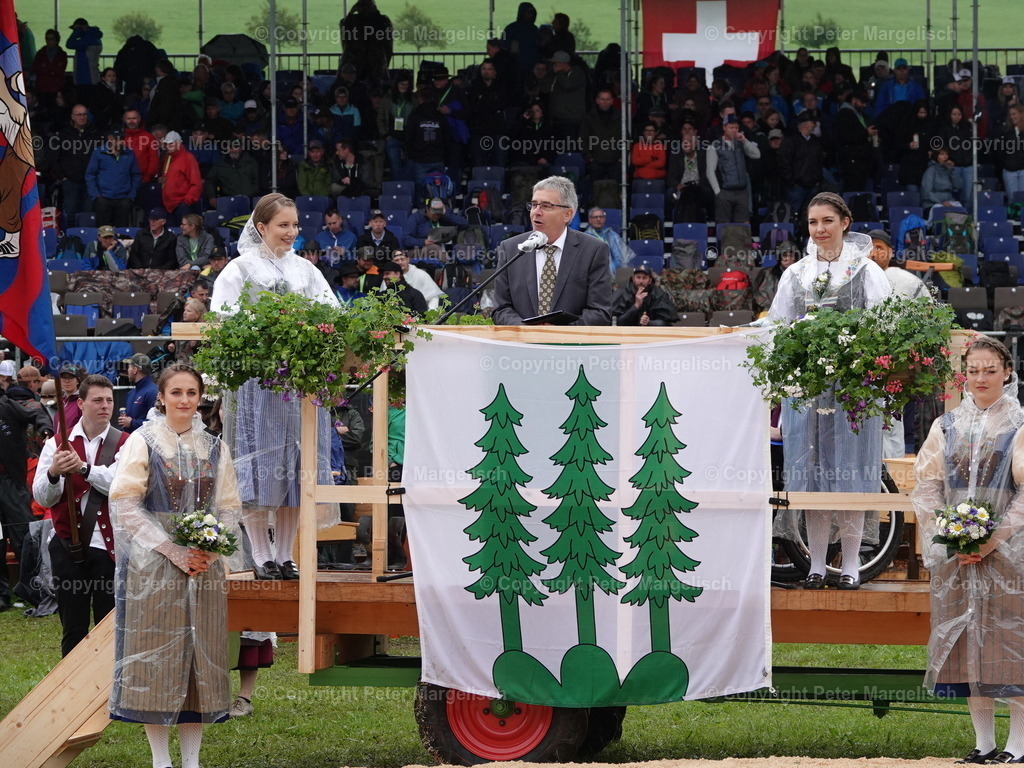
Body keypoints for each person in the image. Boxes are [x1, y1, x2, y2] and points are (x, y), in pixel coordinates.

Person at [107, 364, 241, 768]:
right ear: (161, 397)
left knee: (200, 660)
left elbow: (230, 507)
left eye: (192, 393)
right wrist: (170, 548)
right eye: (176, 392)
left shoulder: (215, 446)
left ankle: (193, 761)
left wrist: (210, 551)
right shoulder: (142, 441)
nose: (184, 400)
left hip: (203, 567)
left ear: (201, 398)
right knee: (157, 662)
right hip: (154, 566)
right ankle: (161, 760)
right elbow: (124, 502)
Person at [210, 193, 339, 582]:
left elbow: (332, 314)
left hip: (300, 385)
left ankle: (285, 555)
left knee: (297, 471)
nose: (291, 232)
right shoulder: (240, 269)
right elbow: (222, 320)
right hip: (256, 386)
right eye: (283, 225)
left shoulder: (306, 270)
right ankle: (261, 555)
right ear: (261, 227)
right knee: (258, 467)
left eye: (295, 225)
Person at [767, 192, 892, 589]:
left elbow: (886, 323)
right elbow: (776, 326)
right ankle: (817, 564)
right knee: (811, 473)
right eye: (813, 222)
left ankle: (851, 564)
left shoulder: (866, 270)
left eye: (827, 221)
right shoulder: (796, 273)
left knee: (851, 472)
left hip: (854, 389)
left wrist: (852, 349)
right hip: (806, 389)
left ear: (845, 222)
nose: (819, 229)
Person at [911, 336, 1024, 765]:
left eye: (990, 370)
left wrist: (992, 538)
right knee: (966, 646)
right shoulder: (946, 425)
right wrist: (950, 537)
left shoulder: (1019, 424)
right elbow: (926, 485)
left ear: (1007, 372)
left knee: (1010, 645)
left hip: (1010, 556)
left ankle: (1018, 744)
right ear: (964, 373)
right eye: (973, 370)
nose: (981, 378)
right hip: (957, 557)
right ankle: (983, 743)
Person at [33, 374, 127, 656]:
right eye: (97, 400)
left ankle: (106, 694)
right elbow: (41, 496)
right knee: (72, 628)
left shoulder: (127, 442)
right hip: (67, 546)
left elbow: (120, 486)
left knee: (107, 626)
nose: (105, 406)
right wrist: (54, 474)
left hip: (109, 549)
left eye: (109, 400)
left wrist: (83, 468)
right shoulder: (56, 443)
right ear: (81, 404)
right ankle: (69, 694)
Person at [492, 175, 612, 326]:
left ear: (567, 214)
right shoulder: (510, 249)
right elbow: (500, 309)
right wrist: (526, 330)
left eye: (546, 206)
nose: (536, 212)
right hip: (523, 345)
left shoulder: (593, 250)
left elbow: (600, 312)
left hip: (570, 346)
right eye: (534, 204)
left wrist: (558, 333)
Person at [0, 383, 54, 611]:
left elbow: (36, 413)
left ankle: (34, 590)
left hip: (11, 482)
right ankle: (2, 596)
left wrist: (45, 431)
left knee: (23, 536)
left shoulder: (6, 406)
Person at [707, 114, 760, 226]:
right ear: (724, 127)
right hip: (725, 191)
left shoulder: (741, 143)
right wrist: (718, 192)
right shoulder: (715, 145)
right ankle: (724, 244)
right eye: (731, 127)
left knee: (744, 224)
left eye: (736, 127)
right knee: (723, 224)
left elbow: (757, 155)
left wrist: (745, 140)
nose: (734, 130)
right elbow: (710, 171)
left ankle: (743, 244)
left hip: (741, 191)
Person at [611, 264, 678, 326]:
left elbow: (666, 323)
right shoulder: (622, 293)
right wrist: (636, 306)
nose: (641, 281)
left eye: (644, 278)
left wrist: (649, 322)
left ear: (650, 280)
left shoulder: (658, 294)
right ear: (633, 279)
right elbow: (618, 322)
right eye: (638, 277)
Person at [159, 131, 202, 225]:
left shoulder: (188, 158)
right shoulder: (168, 157)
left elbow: (196, 183)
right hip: (168, 204)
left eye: (171, 144)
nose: (168, 146)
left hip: (181, 204)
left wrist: (186, 201)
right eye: (166, 144)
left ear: (179, 143)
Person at [584, 207, 635, 273]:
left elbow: (623, 258)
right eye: (595, 217)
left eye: (601, 217)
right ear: (590, 220)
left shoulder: (612, 235)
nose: (598, 219)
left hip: (613, 276)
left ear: (604, 219)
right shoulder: (584, 237)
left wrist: (612, 267)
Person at [118, 354, 157, 433]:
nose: (127, 370)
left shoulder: (154, 392)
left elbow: (157, 424)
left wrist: (131, 423)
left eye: (129, 367)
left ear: (135, 370)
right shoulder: (131, 393)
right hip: (131, 441)